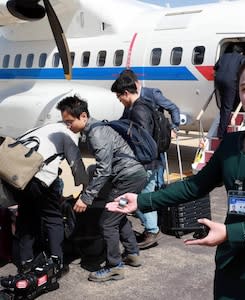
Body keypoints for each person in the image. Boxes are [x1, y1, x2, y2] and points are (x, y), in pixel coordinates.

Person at [107, 53, 245, 299]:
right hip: (231, 271)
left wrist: (230, 234)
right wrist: (142, 201)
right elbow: (195, 186)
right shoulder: (230, 144)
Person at [56, 95, 148, 282]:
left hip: (127, 180)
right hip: (132, 177)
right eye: (65, 122)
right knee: (117, 215)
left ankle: (114, 267)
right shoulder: (95, 130)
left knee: (107, 223)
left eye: (70, 121)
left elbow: (104, 169)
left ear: (83, 116)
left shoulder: (96, 133)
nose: (68, 126)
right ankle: (132, 254)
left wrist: (86, 197)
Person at [6, 122, 88, 275]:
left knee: (26, 218)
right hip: (41, 177)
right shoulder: (66, 133)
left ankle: (26, 263)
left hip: (18, 178)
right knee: (53, 217)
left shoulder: (36, 129)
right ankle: (56, 261)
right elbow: (75, 162)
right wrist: (85, 187)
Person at [115, 69, 181, 249]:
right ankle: (151, 228)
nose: (119, 100)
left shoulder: (140, 108)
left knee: (140, 196)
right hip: (151, 160)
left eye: (120, 96)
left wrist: (175, 127)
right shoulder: (139, 105)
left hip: (147, 161)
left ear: (127, 92)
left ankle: (152, 230)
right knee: (146, 193)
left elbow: (142, 139)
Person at [213, 44, 245, 139]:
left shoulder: (223, 56)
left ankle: (232, 108)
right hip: (230, 82)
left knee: (224, 105)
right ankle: (221, 134)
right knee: (227, 107)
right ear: (241, 52)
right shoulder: (241, 58)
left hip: (218, 81)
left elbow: (215, 67)